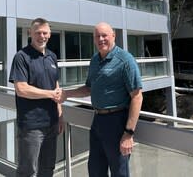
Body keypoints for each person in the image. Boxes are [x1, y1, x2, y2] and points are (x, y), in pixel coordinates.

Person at [57, 22, 143, 177]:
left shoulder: (125, 60)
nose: (101, 39)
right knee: (95, 170)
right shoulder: (95, 60)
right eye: (97, 36)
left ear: (113, 36)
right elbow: (89, 88)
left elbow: (137, 96)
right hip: (97, 121)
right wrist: (66, 94)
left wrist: (129, 133)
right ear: (94, 39)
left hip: (117, 122)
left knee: (119, 172)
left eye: (104, 35)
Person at [9, 18, 64, 177]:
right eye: (38, 33)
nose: (42, 36)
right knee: (28, 171)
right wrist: (50, 94)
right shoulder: (21, 56)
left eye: (45, 32)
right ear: (30, 33)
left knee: (48, 168)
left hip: (52, 123)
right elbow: (21, 89)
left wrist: (60, 115)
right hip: (32, 125)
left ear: (50, 34)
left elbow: (56, 86)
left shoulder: (52, 57)